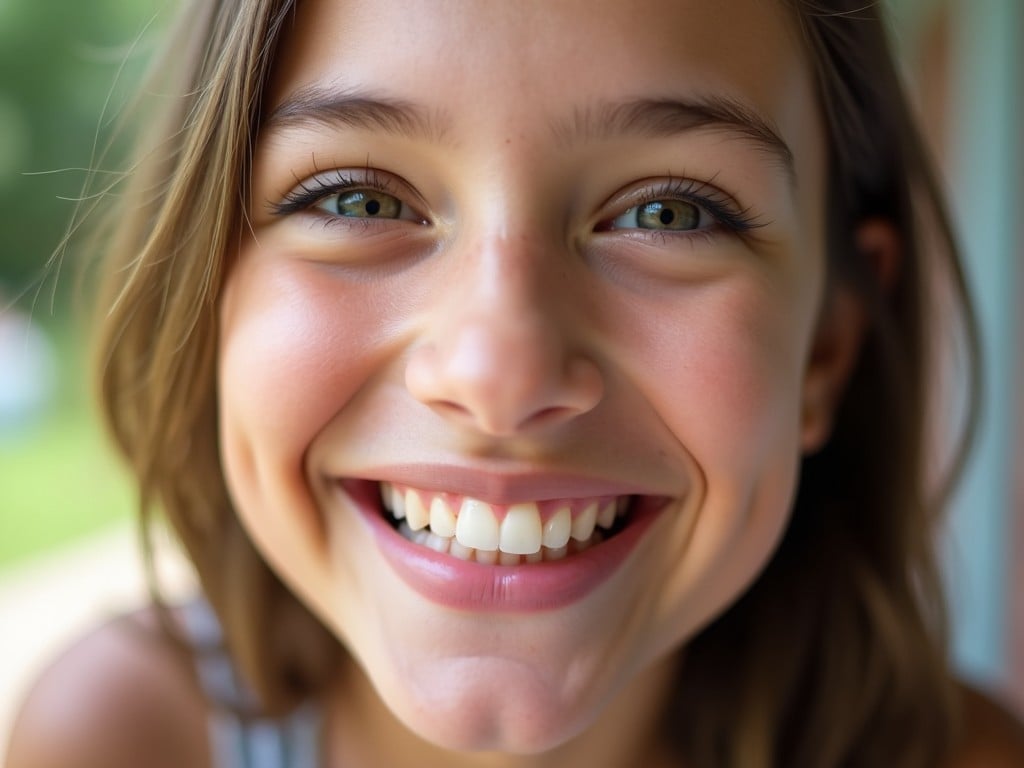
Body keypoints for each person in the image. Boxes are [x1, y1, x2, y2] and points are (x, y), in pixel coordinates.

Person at [6, 0, 1024, 766]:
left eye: (668, 214)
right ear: (210, 293)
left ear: (825, 350)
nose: (499, 374)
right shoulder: (118, 740)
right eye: (356, 196)